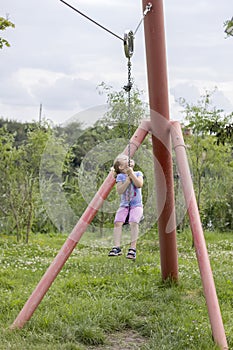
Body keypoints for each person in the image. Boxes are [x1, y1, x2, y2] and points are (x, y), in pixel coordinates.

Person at [108, 154, 143, 260]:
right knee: (117, 222)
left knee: (133, 222)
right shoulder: (120, 177)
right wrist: (127, 180)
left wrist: (132, 174)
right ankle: (116, 247)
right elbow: (120, 191)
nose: (128, 160)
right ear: (121, 167)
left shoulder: (138, 173)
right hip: (124, 206)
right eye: (125, 160)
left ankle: (132, 249)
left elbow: (139, 184)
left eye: (129, 159)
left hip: (136, 205)